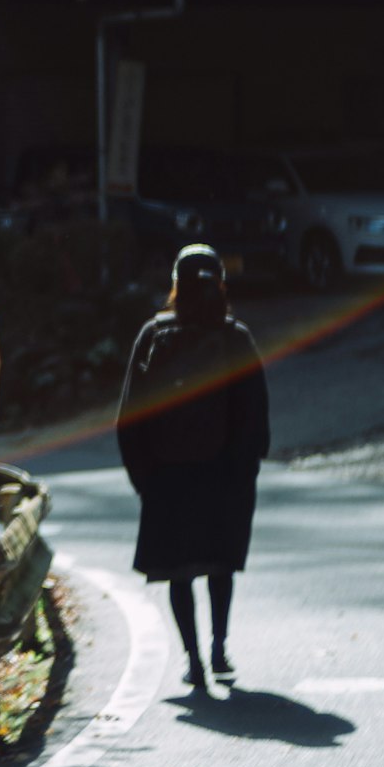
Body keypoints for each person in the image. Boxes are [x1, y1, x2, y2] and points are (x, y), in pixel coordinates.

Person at [113, 243, 271, 691]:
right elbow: (256, 414)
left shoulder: (154, 335)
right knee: (219, 565)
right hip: (224, 476)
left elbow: (130, 416)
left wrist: (144, 479)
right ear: (220, 281)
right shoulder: (235, 337)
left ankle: (194, 661)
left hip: (168, 479)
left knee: (178, 571)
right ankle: (220, 647)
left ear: (175, 285)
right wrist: (244, 472)